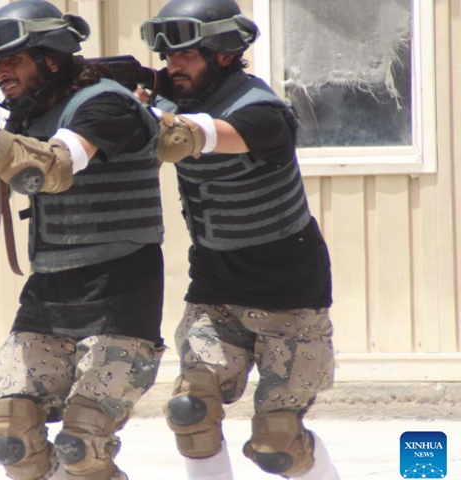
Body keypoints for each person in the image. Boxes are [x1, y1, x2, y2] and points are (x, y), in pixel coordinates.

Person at [0, 1, 166, 479]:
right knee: (12, 437)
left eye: (13, 59)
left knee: (82, 445)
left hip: (119, 290)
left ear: (52, 58)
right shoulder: (27, 117)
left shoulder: (107, 103)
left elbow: (51, 167)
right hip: (49, 293)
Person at [137, 0, 340, 479]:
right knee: (190, 411)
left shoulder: (263, 111)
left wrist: (141, 112)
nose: (173, 66)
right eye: (168, 58)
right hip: (216, 289)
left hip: (289, 294)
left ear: (224, 53)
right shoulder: (173, 105)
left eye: (186, 55)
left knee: (277, 443)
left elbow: (199, 136)